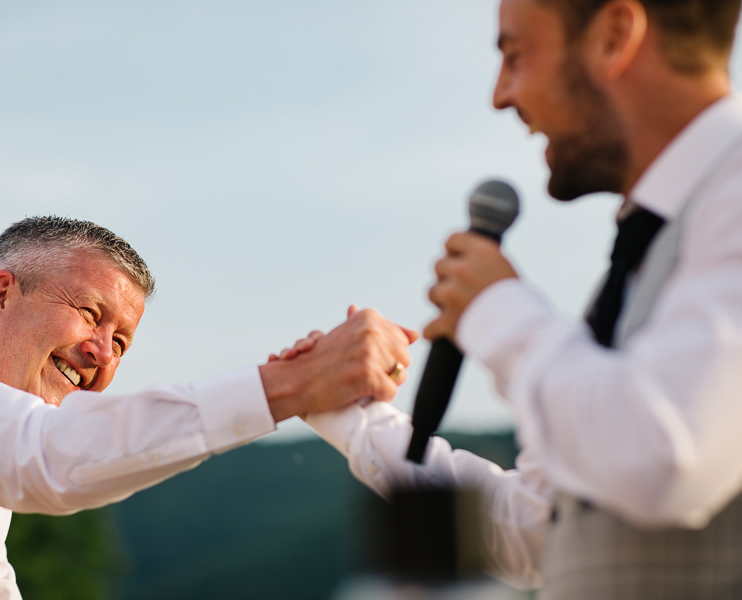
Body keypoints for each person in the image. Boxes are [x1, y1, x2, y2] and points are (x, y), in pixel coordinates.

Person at [302, 0, 742, 597]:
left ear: (615, 36)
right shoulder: (648, 252)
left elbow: (664, 459)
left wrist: (496, 309)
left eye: (513, 56)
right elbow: (541, 528)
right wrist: (350, 415)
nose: (499, 96)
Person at [0, 215, 417, 599]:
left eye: (121, 342)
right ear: (0, 296)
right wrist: (292, 385)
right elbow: (45, 459)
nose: (99, 353)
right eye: (91, 315)